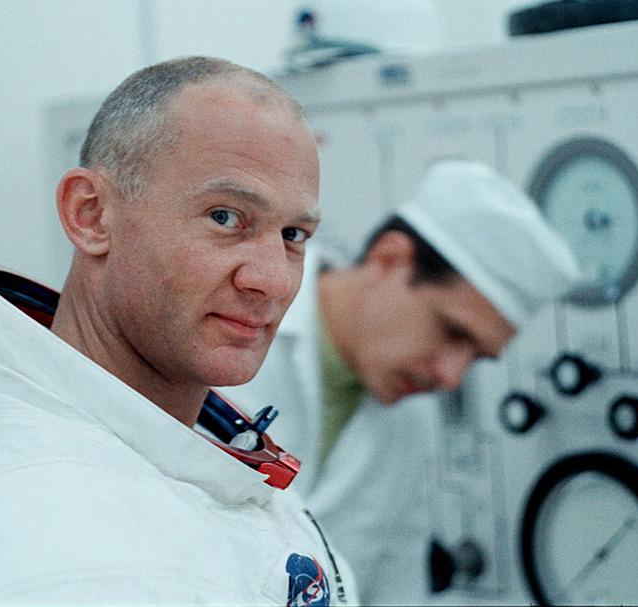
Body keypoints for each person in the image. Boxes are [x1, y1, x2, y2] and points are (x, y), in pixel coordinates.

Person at [0, 56, 355, 605]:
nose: (273, 281)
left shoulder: (164, 452)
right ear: (91, 215)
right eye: (225, 218)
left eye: (293, 234)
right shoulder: (44, 552)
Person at [219, 160, 581, 605]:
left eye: (476, 357)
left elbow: (398, 588)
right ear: (389, 259)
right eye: (452, 331)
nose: (451, 376)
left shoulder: (412, 422)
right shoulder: (231, 331)